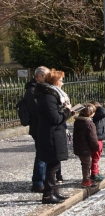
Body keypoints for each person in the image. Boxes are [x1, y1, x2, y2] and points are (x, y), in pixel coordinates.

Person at [34, 69, 72, 204]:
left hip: (55, 133)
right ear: (55, 82)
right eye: (61, 80)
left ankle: (55, 192)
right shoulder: (47, 97)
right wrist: (68, 111)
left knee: (55, 163)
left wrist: (66, 111)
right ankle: (48, 195)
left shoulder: (53, 95)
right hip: (50, 134)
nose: (62, 82)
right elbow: (55, 118)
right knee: (52, 165)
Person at [24, 66, 49, 192]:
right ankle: (38, 182)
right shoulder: (32, 91)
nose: (48, 78)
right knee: (41, 155)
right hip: (38, 127)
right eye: (46, 75)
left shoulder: (39, 89)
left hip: (42, 126)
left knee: (44, 154)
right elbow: (36, 111)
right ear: (39, 76)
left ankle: (43, 180)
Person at [73, 103, 99, 188]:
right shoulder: (89, 124)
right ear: (90, 113)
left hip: (78, 147)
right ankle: (86, 180)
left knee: (84, 163)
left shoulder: (78, 122)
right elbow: (93, 138)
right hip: (86, 148)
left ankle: (86, 179)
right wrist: (96, 147)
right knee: (86, 165)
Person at [91, 102, 105, 182]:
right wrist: (99, 106)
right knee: (95, 157)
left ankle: (96, 173)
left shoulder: (97, 115)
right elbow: (103, 112)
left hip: (99, 138)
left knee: (97, 157)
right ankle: (94, 174)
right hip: (97, 139)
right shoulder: (95, 115)